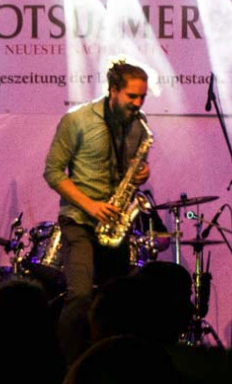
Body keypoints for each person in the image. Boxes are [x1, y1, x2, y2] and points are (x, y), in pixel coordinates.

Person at [43, 58, 151, 360]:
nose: (138, 104)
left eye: (142, 97)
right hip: (79, 219)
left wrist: (141, 173)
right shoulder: (77, 120)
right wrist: (91, 205)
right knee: (79, 296)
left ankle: (109, 362)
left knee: (116, 301)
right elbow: (52, 172)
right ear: (113, 90)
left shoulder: (139, 125)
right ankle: (67, 365)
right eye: (132, 96)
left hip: (115, 223)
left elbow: (133, 168)